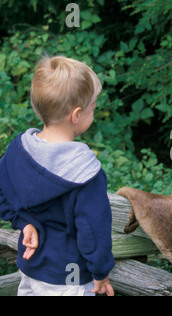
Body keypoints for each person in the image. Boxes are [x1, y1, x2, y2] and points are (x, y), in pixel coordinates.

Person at [0, 55, 115, 296]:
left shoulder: (17, 151)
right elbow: (93, 231)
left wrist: (23, 222)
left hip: (30, 269)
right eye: (92, 108)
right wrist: (101, 272)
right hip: (69, 280)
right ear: (76, 115)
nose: (94, 113)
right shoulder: (86, 174)